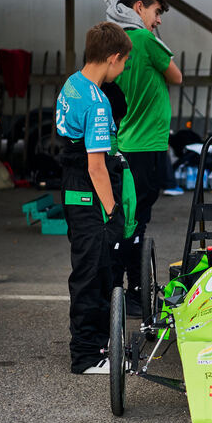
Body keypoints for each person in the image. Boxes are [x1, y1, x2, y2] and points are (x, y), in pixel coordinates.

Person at [101, 0, 183, 316]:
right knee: (137, 223)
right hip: (145, 144)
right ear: (138, 8)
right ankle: (132, 296)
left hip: (120, 143)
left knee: (123, 219)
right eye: (156, 12)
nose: (158, 20)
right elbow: (176, 76)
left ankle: (119, 292)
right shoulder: (146, 41)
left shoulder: (112, 41)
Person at [56, 22, 131, 374]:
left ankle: (95, 345)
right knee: (93, 272)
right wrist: (113, 211)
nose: (124, 69)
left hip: (72, 187)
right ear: (113, 58)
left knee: (87, 268)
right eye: (124, 62)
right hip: (90, 194)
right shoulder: (98, 103)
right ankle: (88, 355)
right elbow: (97, 167)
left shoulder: (73, 84)